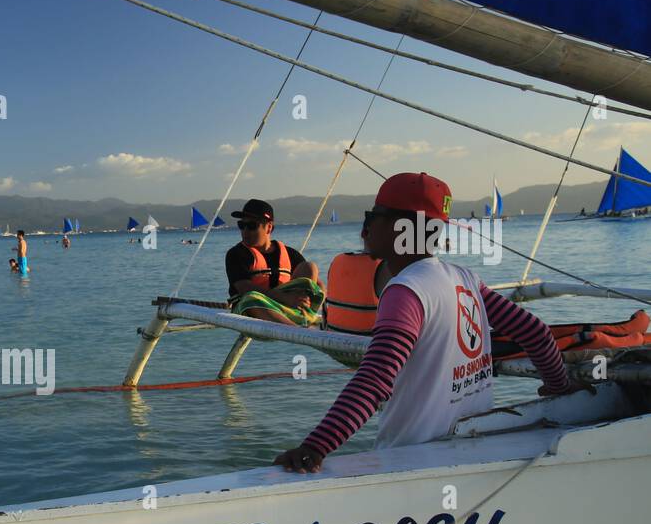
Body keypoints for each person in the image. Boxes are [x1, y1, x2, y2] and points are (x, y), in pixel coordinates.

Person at [275, 172, 586, 474]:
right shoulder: (466, 279)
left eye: (372, 217)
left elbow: (376, 379)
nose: (364, 230)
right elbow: (534, 331)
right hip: (474, 453)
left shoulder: (405, 293)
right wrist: (559, 387)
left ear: (400, 228)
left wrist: (314, 448)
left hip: (413, 463)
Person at [224, 199, 322, 326]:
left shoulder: (289, 253)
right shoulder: (236, 254)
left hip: (285, 308)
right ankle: (296, 330)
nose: (245, 231)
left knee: (309, 267)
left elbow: (317, 284)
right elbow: (244, 288)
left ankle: (305, 314)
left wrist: (311, 299)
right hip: (249, 310)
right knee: (251, 298)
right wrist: (286, 298)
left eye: (252, 226)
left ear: (269, 227)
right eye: (242, 225)